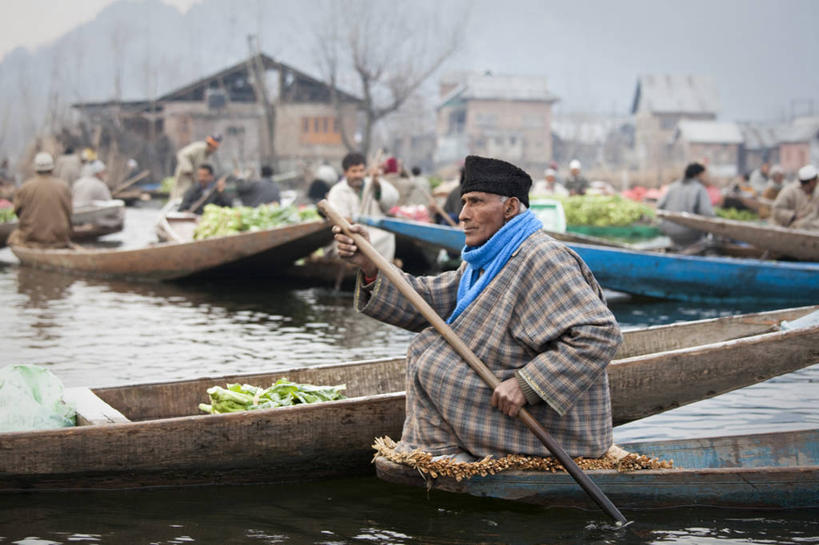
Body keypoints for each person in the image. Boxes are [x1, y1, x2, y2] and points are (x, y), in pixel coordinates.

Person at [333, 155, 622, 460]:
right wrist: (370, 264)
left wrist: (527, 386)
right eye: (464, 202)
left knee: (434, 365)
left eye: (475, 202)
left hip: (555, 429)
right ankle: (432, 452)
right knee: (425, 353)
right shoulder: (485, 260)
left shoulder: (542, 258)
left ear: (509, 208)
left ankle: (440, 455)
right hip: (509, 399)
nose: (462, 215)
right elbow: (428, 301)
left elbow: (600, 335)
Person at [326, 151, 399, 261]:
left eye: (361, 170)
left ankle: (381, 273)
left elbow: (392, 198)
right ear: (345, 172)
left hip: (374, 232)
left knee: (387, 236)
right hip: (350, 234)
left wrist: (377, 183)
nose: (358, 175)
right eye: (354, 171)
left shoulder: (373, 183)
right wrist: (354, 221)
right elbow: (338, 218)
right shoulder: (337, 191)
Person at [8, 152, 72, 249]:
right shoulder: (63, 186)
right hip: (60, 239)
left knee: (13, 237)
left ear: (35, 169)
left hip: (32, 239)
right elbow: (69, 212)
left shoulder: (26, 187)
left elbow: (17, 212)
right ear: (52, 169)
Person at [657, 162, 715, 248]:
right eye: (704, 175)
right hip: (690, 233)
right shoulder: (699, 189)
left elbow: (660, 205)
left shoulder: (673, 186)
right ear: (698, 175)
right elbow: (708, 213)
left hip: (669, 231)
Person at [72, 160, 123, 229]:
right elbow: (108, 203)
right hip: (90, 218)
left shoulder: (78, 182)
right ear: (98, 173)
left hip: (76, 216)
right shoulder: (100, 185)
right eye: (103, 172)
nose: (104, 174)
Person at [172, 135, 222, 199]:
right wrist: (188, 170)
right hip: (185, 176)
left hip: (195, 178)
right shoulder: (199, 147)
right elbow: (182, 154)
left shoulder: (207, 155)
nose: (214, 150)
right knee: (182, 193)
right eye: (213, 148)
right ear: (210, 145)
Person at [771, 164, 819, 230]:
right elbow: (776, 210)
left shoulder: (816, 192)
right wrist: (793, 216)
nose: (817, 182)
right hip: (791, 227)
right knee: (804, 225)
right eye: (816, 180)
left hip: (812, 224)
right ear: (811, 182)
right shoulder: (789, 191)